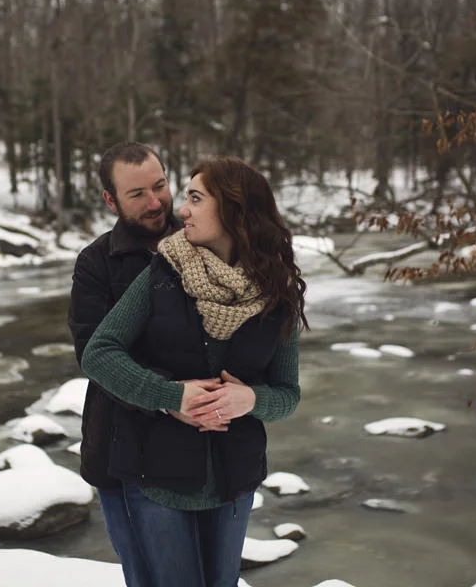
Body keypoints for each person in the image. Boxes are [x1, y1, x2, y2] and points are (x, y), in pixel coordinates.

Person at [81, 156, 307, 587]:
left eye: (196, 199)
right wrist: (171, 396)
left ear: (235, 211)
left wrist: (251, 400)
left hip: (234, 478)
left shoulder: (278, 293)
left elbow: (287, 394)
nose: (180, 210)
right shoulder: (162, 273)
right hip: (156, 474)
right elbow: (98, 353)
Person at [68, 141, 190, 587]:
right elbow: (93, 354)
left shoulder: (205, 239)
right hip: (123, 446)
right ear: (110, 200)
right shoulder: (97, 263)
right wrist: (171, 394)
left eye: (160, 186)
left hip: (204, 444)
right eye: (137, 193)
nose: (155, 201)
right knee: (148, 577)